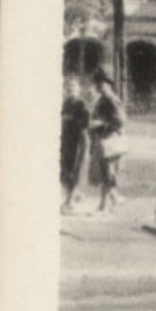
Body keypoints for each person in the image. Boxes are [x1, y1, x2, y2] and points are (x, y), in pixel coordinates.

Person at [88, 72, 126, 212]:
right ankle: (112, 199)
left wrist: (101, 124)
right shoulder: (102, 99)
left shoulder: (111, 99)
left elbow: (121, 121)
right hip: (103, 140)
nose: (99, 86)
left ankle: (105, 203)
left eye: (102, 84)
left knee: (108, 172)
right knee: (105, 172)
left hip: (110, 139)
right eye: (97, 83)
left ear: (108, 85)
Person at [60, 78, 90, 213]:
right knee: (65, 169)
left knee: (74, 168)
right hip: (66, 140)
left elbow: (85, 123)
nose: (70, 90)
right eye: (68, 87)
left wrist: (71, 119)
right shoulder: (66, 102)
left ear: (79, 89)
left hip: (78, 140)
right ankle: (73, 194)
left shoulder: (81, 104)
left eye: (73, 87)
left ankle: (70, 200)